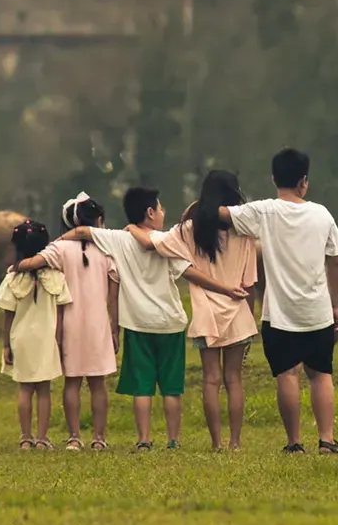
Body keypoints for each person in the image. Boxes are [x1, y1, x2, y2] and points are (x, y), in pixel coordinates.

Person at [36, 188, 248, 451]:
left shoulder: (117, 239)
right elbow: (190, 273)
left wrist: (57, 242)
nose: (163, 213)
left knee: (142, 388)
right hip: (170, 323)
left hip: (137, 324)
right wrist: (224, 288)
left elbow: (82, 232)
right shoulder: (167, 240)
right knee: (171, 388)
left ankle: (144, 440)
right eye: (160, 209)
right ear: (150, 213)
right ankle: (173, 440)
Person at [220, 148, 338, 454]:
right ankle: (327, 440)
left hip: (280, 315)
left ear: (273, 179)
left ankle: (294, 443)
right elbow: (336, 260)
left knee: (287, 374)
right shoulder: (322, 214)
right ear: (304, 181)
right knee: (321, 374)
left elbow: (222, 214)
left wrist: (203, 204)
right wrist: (335, 303)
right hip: (317, 311)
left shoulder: (264, 211)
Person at [149, 170, 258, 450]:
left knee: (211, 381)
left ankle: (216, 443)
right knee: (234, 380)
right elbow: (250, 282)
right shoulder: (244, 231)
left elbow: (159, 242)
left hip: (205, 314)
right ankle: (235, 443)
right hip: (237, 313)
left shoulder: (188, 230)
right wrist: (251, 317)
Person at [32, 193, 119, 450]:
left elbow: (38, 260)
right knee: (98, 383)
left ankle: (73, 437)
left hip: (67, 323)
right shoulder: (107, 249)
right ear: (98, 221)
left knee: (72, 381)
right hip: (99, 324)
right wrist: (115, 328)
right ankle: (99, 438)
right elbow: (114, 295)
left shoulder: (59, 249)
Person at [0, 219, 69, 450]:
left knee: (25, 389)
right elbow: (62, 311)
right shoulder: (57, 277)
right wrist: (60, 340)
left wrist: (6, 345)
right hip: (47, 338)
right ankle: (43, 439)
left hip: (21, 339)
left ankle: (25, 437)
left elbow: (8, 315)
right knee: (44, 389)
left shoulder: (12, 278)